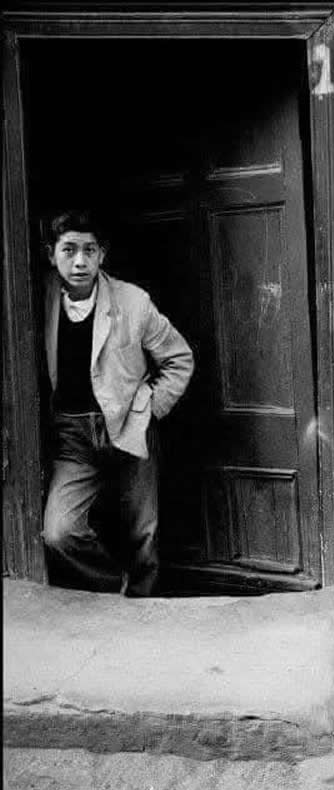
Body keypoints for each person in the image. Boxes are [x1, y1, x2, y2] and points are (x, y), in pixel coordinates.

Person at [41, 210, 195, 597]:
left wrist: (150, 409)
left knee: (143, 531)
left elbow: (180, 359)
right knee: (59, 533)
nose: (79, 262)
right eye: (69, 250)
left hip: (130, 426)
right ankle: (114, 588)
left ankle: (144, 606)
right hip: (73, 438)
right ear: (51, 254)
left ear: (102, 255)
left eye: (89, 250)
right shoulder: (37, 301)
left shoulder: (133, 301)